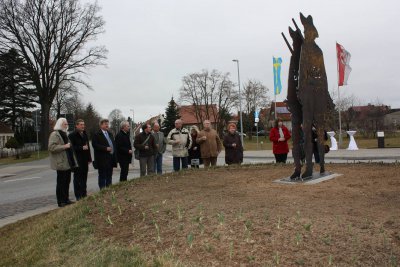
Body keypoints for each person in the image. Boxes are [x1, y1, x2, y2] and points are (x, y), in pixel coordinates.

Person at [48, 118, 78, 207]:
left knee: (66, 182)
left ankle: (66, 199)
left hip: (68, 162)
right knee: (61, 182)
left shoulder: (65, 134)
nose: (67, 126)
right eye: (65, 124)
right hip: (60, 163)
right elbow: (51, 148)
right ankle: (60, 201)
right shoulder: (55, 134)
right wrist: (64, 146)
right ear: (60, 124)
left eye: (67, 124)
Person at [68, 119, 92, 200]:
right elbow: (71, 148)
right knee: (78, 179)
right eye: (81, 124)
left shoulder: (84, 134)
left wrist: (89, 159)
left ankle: (84, 194)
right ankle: (78, 196)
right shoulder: (72, 135)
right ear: (76, 125)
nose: (83, 126)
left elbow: (87, 147)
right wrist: (81, 147)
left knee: (84, 178)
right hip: (77, 161)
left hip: (85, 160)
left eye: (83, 124)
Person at [92, 119, 117, 189]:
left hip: (110, 158)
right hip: (102, 159)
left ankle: (109, 189)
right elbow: (95, 145)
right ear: (101, 125)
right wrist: (105, 148)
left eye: (108, 124)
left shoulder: (110, 134)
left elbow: (113, 145)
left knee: (109, 175)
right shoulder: (96, 134)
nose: (107, 125)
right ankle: (102, 191)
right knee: (102, 176)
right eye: (105, 124)